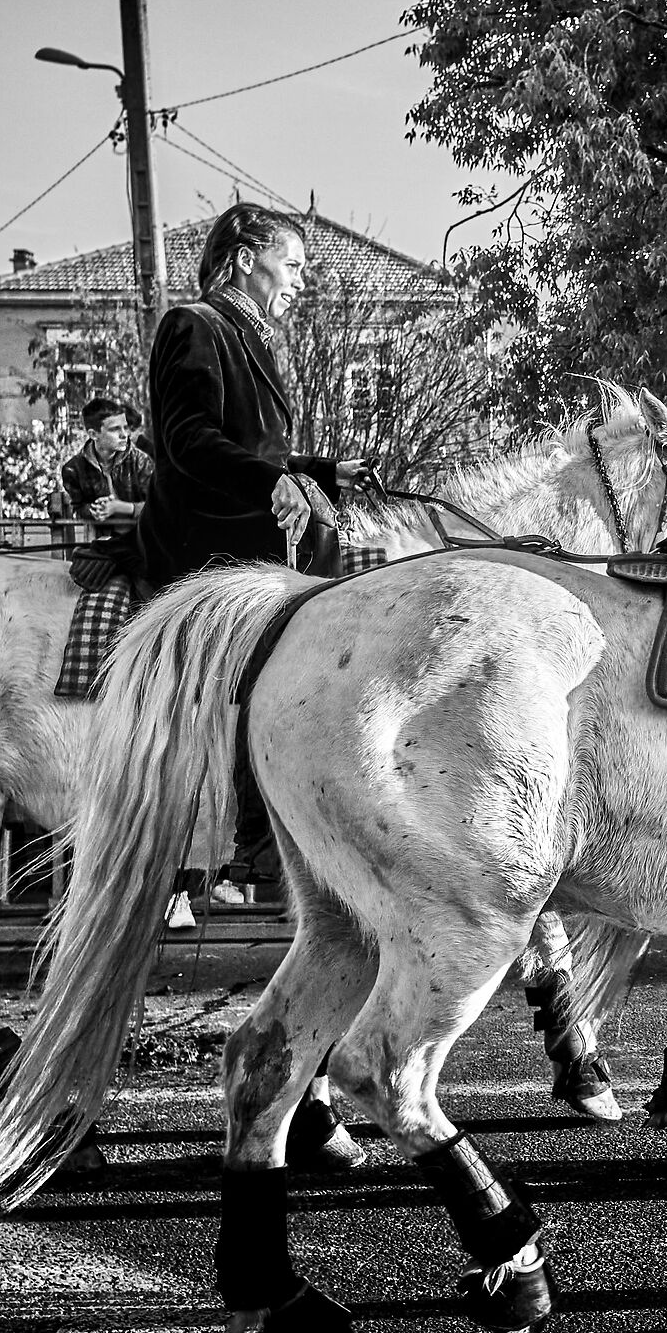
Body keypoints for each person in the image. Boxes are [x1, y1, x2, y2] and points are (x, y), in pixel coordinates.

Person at [134, 202, 372, 905]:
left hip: (246, 536)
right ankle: (254, 839)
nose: (301, 280)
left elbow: (250, 449)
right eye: (292, 264)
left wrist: (320, 471)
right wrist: (279, 481)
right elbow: (190, 443)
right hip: (204, 544)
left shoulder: (247, 334)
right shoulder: (195, 325)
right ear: (245, 258)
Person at [60, 398, 152, 535]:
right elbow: (79, 507)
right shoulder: (73, 469)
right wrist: (96, 510)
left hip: (142, 540)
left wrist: (121, 507)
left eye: (125, 427)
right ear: (93, 434)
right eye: (115, 429)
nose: (124, 435)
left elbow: (161, 506)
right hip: (102, 542)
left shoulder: (141, 461)